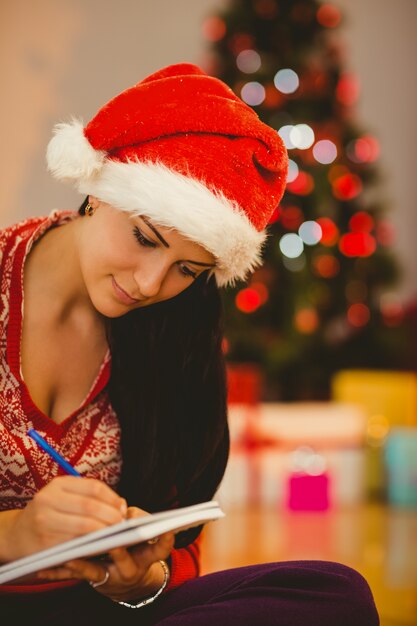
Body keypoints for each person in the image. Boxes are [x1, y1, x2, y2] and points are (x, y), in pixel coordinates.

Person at [0, 63, 379, 625]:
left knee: (334, 593)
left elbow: (177, 550)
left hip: (98, 612)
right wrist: (17, 534)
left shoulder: (181, 323)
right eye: (143, 237)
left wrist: (136, 578)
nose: (151, 285)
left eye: (187, 268)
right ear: (99, 190)